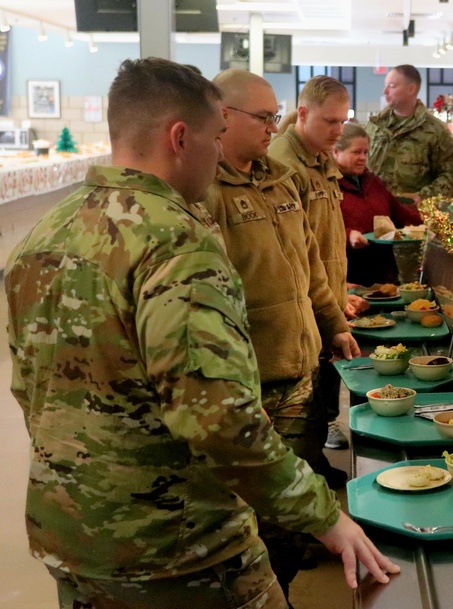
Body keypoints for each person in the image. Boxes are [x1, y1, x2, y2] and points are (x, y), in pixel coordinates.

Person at [5, 57, 398, 609]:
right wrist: (324, 515)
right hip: (180, 547)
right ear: (180, 138)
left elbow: (31, 387)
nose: (220, 154)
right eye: (216, 138)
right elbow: (218, 420)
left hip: (73, 537)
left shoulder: (46, 233)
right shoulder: (177, 243)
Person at [204, 68, 363, 602]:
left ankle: (285, 588)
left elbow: (310, 262)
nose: (273, 126)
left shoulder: (279, 177)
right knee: (254, 514)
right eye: (264, 117)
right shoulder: (205, 192)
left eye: (276, 116)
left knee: (295, 510)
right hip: (249, 382)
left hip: (298, 367)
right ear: (222, 116)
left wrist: (334, 324)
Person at [269, 75, 365, 453]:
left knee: (321, 401)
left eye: (343, 121)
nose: (338, 131)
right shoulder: (283, 164)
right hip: (304, 307)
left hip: (325, 300)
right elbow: (296, 254)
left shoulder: (319, 157)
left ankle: (318, 459)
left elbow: (323, 238)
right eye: (330, 122)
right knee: (302, 416)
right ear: (303, 113)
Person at [335, 122, 423, 286]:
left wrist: (430, 222)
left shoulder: (373, 182)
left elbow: (400, 214)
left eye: (366, 152)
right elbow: (320, 229)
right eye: (356, 152)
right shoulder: (327, 185)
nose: (363, 157)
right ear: (335, 152)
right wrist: (348, 235)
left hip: (384, 274)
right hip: (349, 276)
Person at [365, 64, 453, 201]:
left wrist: (422, 198)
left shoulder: (435, 130)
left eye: (392, 86)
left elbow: (452, 175)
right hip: (374, 208)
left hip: (414, 214)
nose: (385, 91)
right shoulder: (374, 125)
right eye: (385, 85)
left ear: (411, 89)